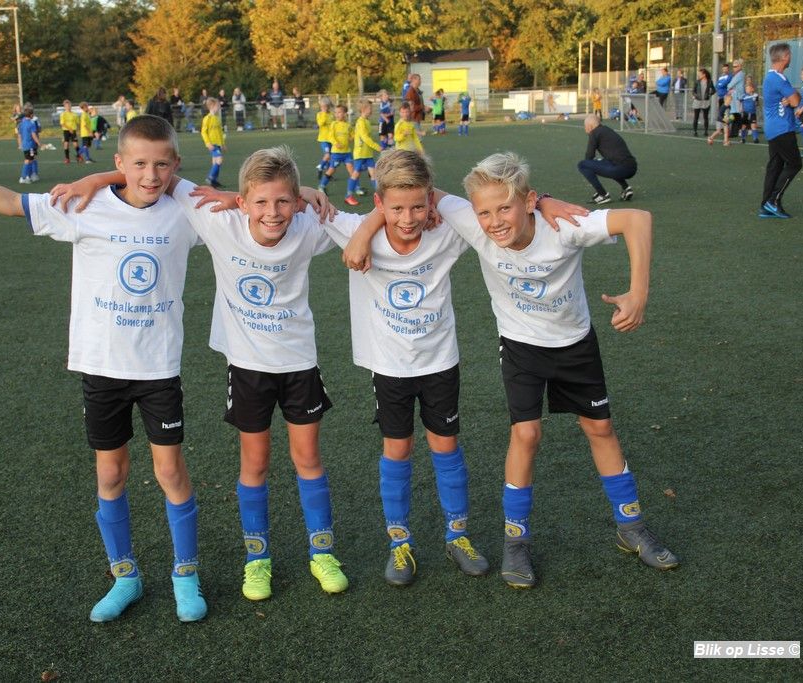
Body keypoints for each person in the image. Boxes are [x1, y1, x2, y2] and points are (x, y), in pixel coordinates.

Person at [0, 114, 209, 624]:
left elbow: (249, 200)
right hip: (101, 367)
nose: (150, 175)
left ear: (176, 165)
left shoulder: (186, 212)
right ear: (120, 162)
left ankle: (185, 576)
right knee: (111, 473)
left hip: (157, 369)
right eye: (138, 164)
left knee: (170, 471)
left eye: (162, 165)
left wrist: (306, 193)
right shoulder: (86, 207)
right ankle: (125, 575)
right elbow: (6, 202)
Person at [57, 146, 350, 602]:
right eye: (261, 202)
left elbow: (366, 225)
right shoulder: (219, 219)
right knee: (254, 464)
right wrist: (95, 180)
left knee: (308, 459)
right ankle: (257, 559)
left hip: (299, 363)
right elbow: (158, 178)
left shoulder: (310, 223)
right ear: (243, 202)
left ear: (295, 203)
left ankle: (323, 553)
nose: (273, 212)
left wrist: (312, 195)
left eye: (283, 202)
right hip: (248, 367)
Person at [429, 151, 677, 588]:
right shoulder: (473, 220)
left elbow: (637, 218)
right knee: (526, 434)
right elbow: (418, 190)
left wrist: (638, 292)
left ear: (526, 202)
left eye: (504, 208)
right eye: (484, 212)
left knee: (599, 428)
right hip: (521, 346)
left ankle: (631, 526)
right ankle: (515, 541)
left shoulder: (563, 226)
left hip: (575, 344)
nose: (493, 221)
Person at [322, 149, 490, 585]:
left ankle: (458, 536)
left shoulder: (448, 229)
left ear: (431, 200)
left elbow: (489, 204)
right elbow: (303, 199)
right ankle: (399, 543)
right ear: (379, 203)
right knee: (397, 449)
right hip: (389, 366)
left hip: (440, 361)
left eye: (418, 206)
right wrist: (365, 230)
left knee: (446, 447)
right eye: (396, 208)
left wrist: (433, 203)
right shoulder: (357, 231)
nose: (408, 218)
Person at [760, 43, 803, 219]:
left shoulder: (771, 78)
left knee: (775, 167)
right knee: (794, 164)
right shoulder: (779, 78)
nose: (790, 57)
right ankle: (773, 200)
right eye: (789, 54)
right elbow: (796, 101)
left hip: (773, 129)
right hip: (782, 128)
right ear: (784, 57)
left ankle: (765, 206)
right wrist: (794, 96)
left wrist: (792, 97)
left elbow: (793, 99)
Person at [577, 114, 636, 204]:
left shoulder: (594, 133)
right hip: (631, 167)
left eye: (585, 126)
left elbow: (589, 156)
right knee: (606, 162)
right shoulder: (607, 130)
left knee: (582, 165)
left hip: (620, 169)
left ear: (590, 126)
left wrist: (591, 165)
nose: (585, 129)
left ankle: (603, 194)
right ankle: (626, 188)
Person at [319, 104, 358, 205]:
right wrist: (336, 143)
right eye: (335, 112)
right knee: (332, 170)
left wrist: (352, 137)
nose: (337, 114)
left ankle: (355, 188)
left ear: (345, 114)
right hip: (336, 153)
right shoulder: (334, 124)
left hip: (347, 153)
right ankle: (321, 186)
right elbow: (330, 136)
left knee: (352, 170)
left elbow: (353, 134)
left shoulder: (348, 125)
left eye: (339, 112)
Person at [350, 98, 382, 205]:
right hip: (360, 154)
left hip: (368, 154)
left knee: (374, 174)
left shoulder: (367, 121)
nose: (371, 110)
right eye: (370, 108)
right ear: (364, 109)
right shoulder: (360, 122)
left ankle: (380, 196)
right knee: (355, 174)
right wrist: (377, 147)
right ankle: (348, 196)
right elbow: (365, 138)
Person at [201, 97, 225, 188]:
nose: (219, 107)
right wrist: (208, 143)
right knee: (219, 160)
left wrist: (222, 143)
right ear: (212, 106)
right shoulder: (207, 118)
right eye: (218, 106)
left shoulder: (217, 118)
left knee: (215, 162)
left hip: (218, 143)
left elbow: (220, 132)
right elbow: (203, 132)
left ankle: (214, 181)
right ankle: (210, 177)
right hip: (212, 144)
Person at [17, 102, 40, 184]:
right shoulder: (31, 123)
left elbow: (19, 135)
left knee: (31, 159)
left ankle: (29, 176)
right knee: (28, 160)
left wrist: (20, 144)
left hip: (25, 145)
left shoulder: (21, 123)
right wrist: (39, 143)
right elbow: (34, 135)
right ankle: (23, 177)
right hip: (30, 145)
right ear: (31, 115)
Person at [315, 96, 333, 180]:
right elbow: (320, 124)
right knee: (327, 155)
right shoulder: (319, 114)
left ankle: (328, 174)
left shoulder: (331, 115)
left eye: (326, 106)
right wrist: (324, 114)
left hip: (332, 139)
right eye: (322, 106)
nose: (324, 108)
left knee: (331, 157)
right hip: (324, 139)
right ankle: (321, 167)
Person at [692, 68, 713, 137]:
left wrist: (710, 94)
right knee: (696, 117)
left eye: (700, 74)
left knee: (705, 117)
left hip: (706, 102)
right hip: (697, 101)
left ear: (704, 75)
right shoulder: (697, 82)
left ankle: (706, 131)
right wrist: (695, 96)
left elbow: (714, 90)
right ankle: (695, 131)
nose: (698, 75)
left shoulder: (710, 82)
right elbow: (693, 91)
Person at [59, 100, 79, 164]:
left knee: (75, 144)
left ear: (71, 106)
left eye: (69, 105)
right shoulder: (63, 114)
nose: (68, 107)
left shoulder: (74, 114)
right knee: (66, 144)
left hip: (73, 130)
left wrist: (78, 129)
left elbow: (77, 122)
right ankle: (67, 158)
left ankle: (78, 156)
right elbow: (62, 123)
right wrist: (69, 129)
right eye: (67, 106)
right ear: (64, 107)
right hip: (66, 130)